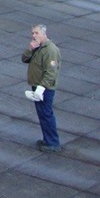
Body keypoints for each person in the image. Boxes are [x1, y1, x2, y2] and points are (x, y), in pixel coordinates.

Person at [22, 24, 62, 152]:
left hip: (44, 88)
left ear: (44, 34)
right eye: (32, 33)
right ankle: (47, 139)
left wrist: (41, 88)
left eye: (36, 33)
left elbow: (51, 72)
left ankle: (53, 143)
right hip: (37, 85)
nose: (34, 36)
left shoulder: (50, 50)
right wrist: (30, 49)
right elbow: (24, 59)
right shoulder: (38, 47)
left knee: (46, 114)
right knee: (42, 114)